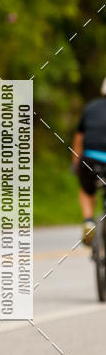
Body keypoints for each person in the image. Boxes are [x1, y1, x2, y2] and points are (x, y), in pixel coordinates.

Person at [72, 77, 106, 245]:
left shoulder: (90, 108)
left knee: (86, 190)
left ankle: (88, 221)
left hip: (90, 158)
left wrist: (77, 165)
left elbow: (78, 140)